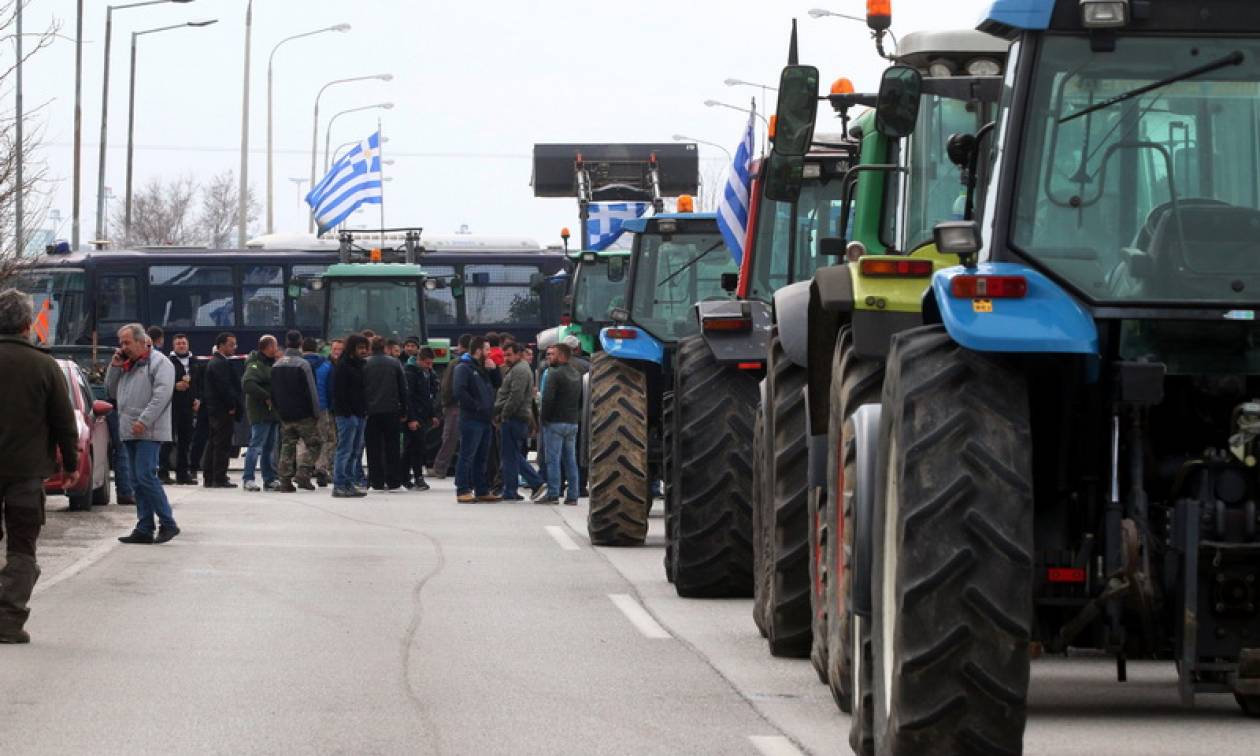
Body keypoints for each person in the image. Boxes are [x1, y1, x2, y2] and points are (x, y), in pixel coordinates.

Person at [0, 289, 80, 643]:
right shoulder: (43, 364)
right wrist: (73, 464)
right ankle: (8, 621)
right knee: (22, 547)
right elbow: (64, 422)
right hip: (26, 473)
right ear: (26, 322)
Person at [107, 323, 181, 542]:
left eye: (127, 342)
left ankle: (168, 523)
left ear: (142, 342)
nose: (123, 347)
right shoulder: (128, 364)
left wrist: (144, 420)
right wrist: (115, 367)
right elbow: (111, 391)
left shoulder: (160, 363)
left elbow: (162, 395)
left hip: (149, 430)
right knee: (136, 481)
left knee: (145, 476)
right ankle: (144, 527)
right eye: (121, 343)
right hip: (129, 429)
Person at [271, 330, 323, 492]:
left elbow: (273, 391)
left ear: (286, 343)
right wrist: (316, 412)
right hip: (303, 414)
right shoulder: (303, 364)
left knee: (287, 445)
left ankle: (285, 480)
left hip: (285, 414)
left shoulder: (276, 364)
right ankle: (303, 472)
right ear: (300, 343)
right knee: (315, 443)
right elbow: (311, 390)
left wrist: (278, 410)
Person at [453, 336, 502, 502]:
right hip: (472, 418)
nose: (489, 353)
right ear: (479, 350)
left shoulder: (483, 367)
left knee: (482, 456)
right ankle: (462, 489)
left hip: (485, 419)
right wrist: (476, 406)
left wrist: (494, 369)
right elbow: (459, 391)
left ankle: (481, 489)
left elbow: (498, 383)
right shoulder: (464, 368)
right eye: (487, 349)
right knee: (467, 454)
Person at [494, 342, 544, 501]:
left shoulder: (520, 370)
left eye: (509, 355)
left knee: (511, 455)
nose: (506, 358)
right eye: (504, 355)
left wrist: (504, 415)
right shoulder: (517, 368)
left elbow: (515, 396)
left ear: (518, 354)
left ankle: (534, 482)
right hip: (515, 417)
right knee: (512, 455)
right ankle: (512, 490)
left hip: (514, 418)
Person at [538, 343, 582, 505]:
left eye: (552, 354)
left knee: (553, 460)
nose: (549, 357)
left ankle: (553, 494)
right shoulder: (576, 374)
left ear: (562, 356)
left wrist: (544, 418)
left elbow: (547, 399)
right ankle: (573, 495)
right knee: (570, 460)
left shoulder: (553, 374)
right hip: (571, 422)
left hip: (555, 422)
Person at [363, 336, 407, 491]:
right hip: (391, 410)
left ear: (370, 348)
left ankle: (376, 482)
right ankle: (394, 481)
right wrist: (405, 409)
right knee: (392, 447)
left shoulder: (365, 364)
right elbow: (403, 388)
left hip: (370, 412)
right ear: (385, 348)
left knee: (373, 448)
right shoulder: (394, 363)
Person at [202, 332, 243, 488]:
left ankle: (209, 476)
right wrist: (232, 406)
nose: (234, 347)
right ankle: (219, 477)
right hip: (223, 411)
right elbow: (225, 388)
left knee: (213, 443)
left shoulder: (216, 362)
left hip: (215, 410)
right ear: (221, 345)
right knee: (222, 445)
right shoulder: (220, 364)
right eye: (231, 344)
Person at [331, 334, 370, 498]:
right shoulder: (343, 365)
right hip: (347, 415)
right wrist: (347, 412)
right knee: (344, 450)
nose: (364, 351)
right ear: (352, 348)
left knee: (355, 451)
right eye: (360, 348)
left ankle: (349, 482)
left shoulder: (361, 365)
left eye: (365, 348)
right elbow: (339, 392)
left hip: (360, 413)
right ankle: (339, 484)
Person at [241, 335, 281, 492]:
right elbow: (248, 384)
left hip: (272, 413)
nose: (276, 349)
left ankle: (269, 479)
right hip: (260, 413)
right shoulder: (256, 365)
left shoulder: (271, 364)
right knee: (255, 446)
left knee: (269, 448)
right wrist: (266, 396)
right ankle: (248, 478)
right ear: (268, 347)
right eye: (275, 346)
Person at [431, 334, 470, 478]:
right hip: (460, 405)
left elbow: (446, 385)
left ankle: (440, 467)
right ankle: (440, 466)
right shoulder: (465, 363)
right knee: (452, 437)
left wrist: (445, 403)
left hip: (454, 405)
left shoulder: (455, 363)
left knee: (450, 437)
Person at [404, 347, 439, 491]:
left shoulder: (426, 373)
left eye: (431, 364)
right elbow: (409, 398)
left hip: (423, 415)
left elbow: (428, 397)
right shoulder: (410, 373)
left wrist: (432, 415)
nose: (429, 367)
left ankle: (407, 476)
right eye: (427, 363)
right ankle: (416, 477)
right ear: (419, 360)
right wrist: (411, 418)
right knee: (414, 448)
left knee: (416, 447)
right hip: (415, 416)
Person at [165, 333, 198, 485]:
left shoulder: (194, 362)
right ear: (173, 346)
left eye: (183, 343)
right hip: (172, 406)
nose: (181, 346)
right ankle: (163, 472)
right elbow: (161, 384)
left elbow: (199, 383)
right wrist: (174, 387)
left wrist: (198, 398)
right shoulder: (167, 362)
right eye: (178, 343)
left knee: (186, 441)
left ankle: (183, 474)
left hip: (188, 407)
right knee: (168, 440)